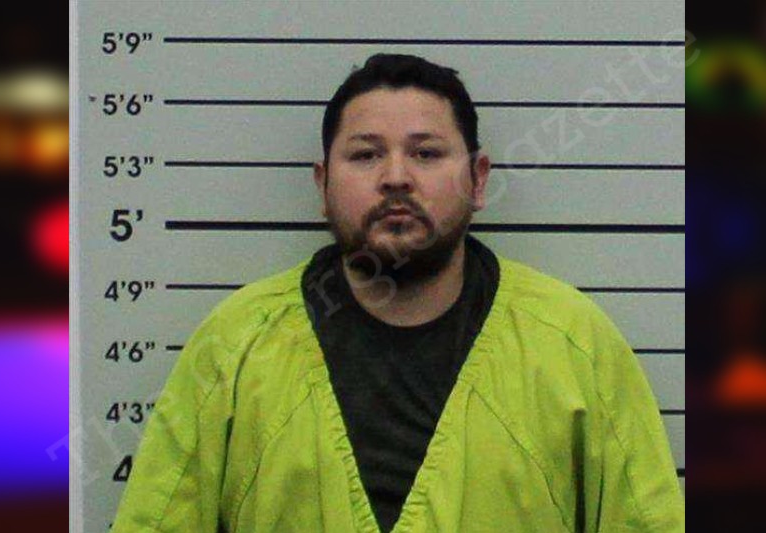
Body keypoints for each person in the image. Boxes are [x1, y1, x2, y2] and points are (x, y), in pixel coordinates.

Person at [109, 54, 684, 533]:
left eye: (426, 153)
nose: (396, 177)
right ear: (323, 184)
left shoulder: (575, 344)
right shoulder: (233, 348)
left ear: (478, 179)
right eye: (365, 154)